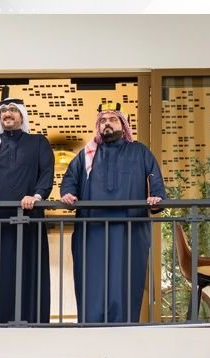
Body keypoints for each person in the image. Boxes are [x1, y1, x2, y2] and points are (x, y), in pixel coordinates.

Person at [60, 103, 166, 323]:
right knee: (91, 280)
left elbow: (155, 179)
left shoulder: (139, 151)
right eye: (103, 120)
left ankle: (123, 327)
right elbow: (70, 179)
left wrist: (156, 198)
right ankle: (91, 327)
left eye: (112, 119)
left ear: (124, 124)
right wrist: (68, 194)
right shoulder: (86, 154)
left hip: (129, 231)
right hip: (92, 231)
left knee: (125, 279)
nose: (107, 123)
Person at [0, 96, 54, 324]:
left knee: (26, 273)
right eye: (3, 111)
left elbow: (46, 174)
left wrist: (36, 196)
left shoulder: (38, 143)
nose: (7, 114)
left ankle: (28, 323)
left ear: (22, 115)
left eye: (13, 110)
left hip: (28, 223)